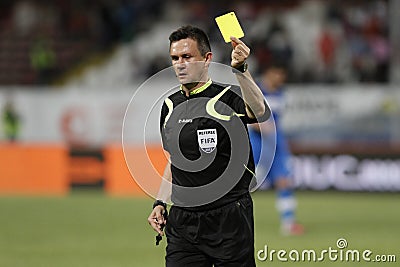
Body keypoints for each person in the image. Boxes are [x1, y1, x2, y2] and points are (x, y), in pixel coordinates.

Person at [147, 25, 270, 266]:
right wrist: (160, 202)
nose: (180, 64)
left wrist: (241, 69)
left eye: (187, 57)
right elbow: (175, 161)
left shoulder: (227, 97)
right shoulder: (169, 106)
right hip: (183, 222)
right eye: (174, 58)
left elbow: (260, 112)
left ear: (207, 59)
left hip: (229, 218)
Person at [248, 62, 304, 236]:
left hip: (277, 143)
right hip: (256, 144)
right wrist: (261, 127)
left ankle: (288, 224)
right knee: (244, 185)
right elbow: (248, 117)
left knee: (284, 181)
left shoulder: (280, 92)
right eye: (277, 73)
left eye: (282, 74)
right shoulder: (255, 90)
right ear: (268, 72)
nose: (280, 78)